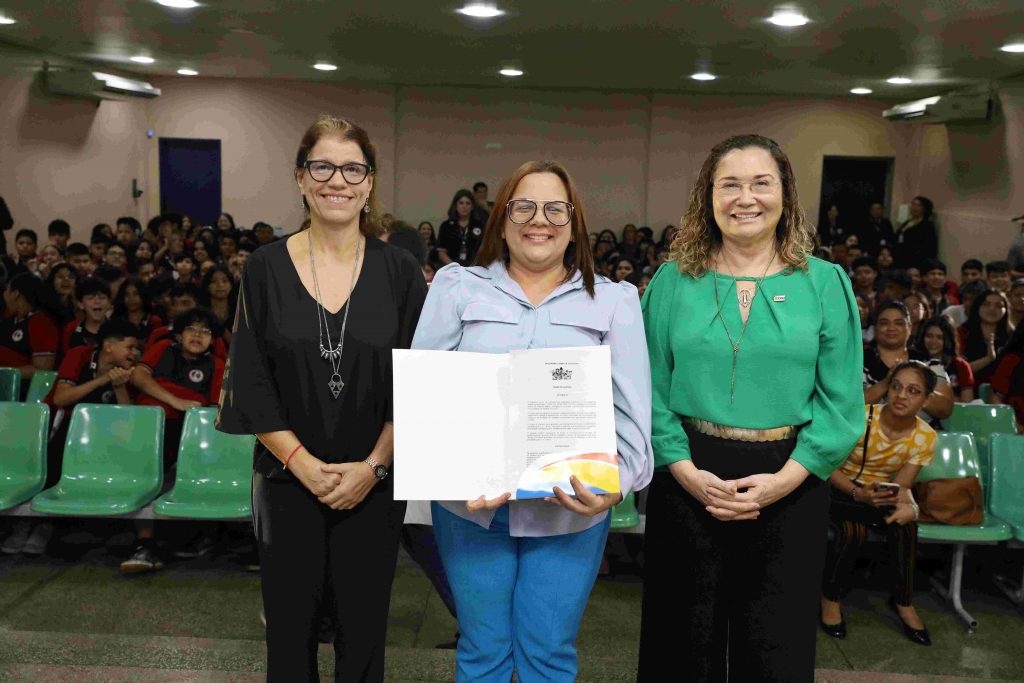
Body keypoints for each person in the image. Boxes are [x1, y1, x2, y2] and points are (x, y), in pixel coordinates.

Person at [411, 159, 653, 683]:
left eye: (553, 208)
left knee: (547, 653)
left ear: (573, 223)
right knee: (483, 651)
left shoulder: (613, 300)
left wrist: (618, 486)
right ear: (501, 219)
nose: (537, 219)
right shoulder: (457, 287)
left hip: (571, 512)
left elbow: (633, 414)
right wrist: (457, 472)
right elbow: (426, 399)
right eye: (522, 206)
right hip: (470, 509)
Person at [638, 135, 863, 682]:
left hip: (792, 479)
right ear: (707, 196)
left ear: (785, 192)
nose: (745, 198)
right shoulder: (672, 281)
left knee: (776, 645)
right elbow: (645, 387)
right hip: (687, 474)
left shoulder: (827, 283)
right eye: (729, 184)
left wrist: (784, 481)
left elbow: (840, 402)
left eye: (761, 183)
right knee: (680, 643)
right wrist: (686, 471)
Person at [215, 115, 426, 682]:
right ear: (301, 179)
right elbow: (251, 382)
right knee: (289, 637)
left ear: (370, 181)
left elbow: (416, 385)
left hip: (374, 483)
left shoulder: (401, 272)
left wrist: (373, 468)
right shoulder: (263, 267)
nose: (339, 179)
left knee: (363, 640)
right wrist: (304, 465)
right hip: (287, 483)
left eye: (353, 168)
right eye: (323, 166)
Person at [820, 361, 936, 646]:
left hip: (874, 495)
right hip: (833, 488)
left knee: (904, 525)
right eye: (896, 387)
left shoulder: (925, 436)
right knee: (853, 530)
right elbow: (824, 464)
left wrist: (912, 507)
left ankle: (903, 602)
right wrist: (858, 493)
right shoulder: (861, 418)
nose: (901, 396)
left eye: (913, 390)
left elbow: (904, 485)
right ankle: (830, 600)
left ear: (925, 399)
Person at [863, 300, 953, 426]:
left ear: (909, 327)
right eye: (884, 323)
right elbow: (852, 405)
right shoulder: (860, 361)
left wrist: (915, 387)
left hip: (922, 439)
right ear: (875, 328)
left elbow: (945, 409)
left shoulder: (928, 362)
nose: (891, 328)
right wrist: (888, 382)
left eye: (899, 323)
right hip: (871, 437)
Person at [0, 273, 59, 396]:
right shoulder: (9, 320)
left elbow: (43, 371)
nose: (4, 295)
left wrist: (5, 372)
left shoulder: (41, 323)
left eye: (6, 290)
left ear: (15, 293)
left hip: (20, 393)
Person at [959, 289, 1013, 386]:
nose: (992, 308)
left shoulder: (1012, 336)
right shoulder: (962, 332)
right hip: (968, 389)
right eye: (986, 304)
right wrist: (987, 359)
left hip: (1002, 392)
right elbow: (956, 371)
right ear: (977, 306)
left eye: (999, 306)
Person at [915, 316, 975, 402]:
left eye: (939, 338)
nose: (933, 341)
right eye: (929, 336)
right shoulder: (916, 362)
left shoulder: (961, 366)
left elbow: (966, 404)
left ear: (948, 340)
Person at [61, 277, 112, 356]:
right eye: (90, 298)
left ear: (109, 303)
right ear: (80, 304)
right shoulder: (70, 330)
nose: (97, 302)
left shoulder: (120, 329)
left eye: (102, 298)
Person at [437, 189, 485, 267]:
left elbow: (484, 250)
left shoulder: (480, 225)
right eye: (461, 203)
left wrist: (473, 267)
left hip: (474, 268)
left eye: (468, 203)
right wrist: (455, 267)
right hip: (452, 268)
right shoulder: (446, 226)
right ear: (456, 205)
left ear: (472, 207)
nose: (464, 206)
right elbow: (441, 253)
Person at [895, 196, 937, 264]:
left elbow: (928, 248)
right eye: (913, 205)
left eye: (918, 205)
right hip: (900, 258)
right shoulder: (907, 222)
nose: (914, 208)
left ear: (924, 209)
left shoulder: (927, 225)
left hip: (915, 261)